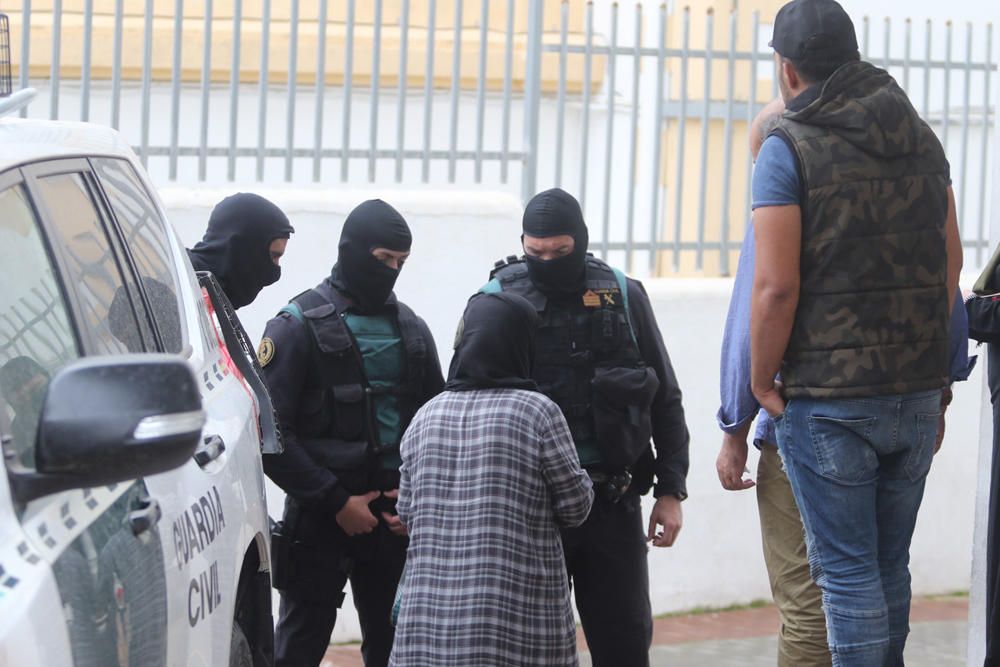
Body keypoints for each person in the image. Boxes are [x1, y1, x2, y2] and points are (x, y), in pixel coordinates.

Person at [750, 0, 963, 663]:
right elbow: (949, 263)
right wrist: (938, 383)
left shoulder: (787, 147)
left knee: (844, 575)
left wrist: (762, 379)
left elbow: (776, 285)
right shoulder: (921, 137)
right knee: (888, 567)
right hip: (915, 391)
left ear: (786, 71)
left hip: (830, 400)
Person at [482, 187, 690, 667]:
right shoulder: (497, 298)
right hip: (528, 513)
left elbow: (666, 400)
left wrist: (671, 490)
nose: (547, 261)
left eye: (560, 252)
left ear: (581, 240)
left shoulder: (622, 294)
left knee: (624, 645)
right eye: (536, 253)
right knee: (525, 651)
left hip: (611, 505)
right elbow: (464, 402)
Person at [259, 199, 444, 667]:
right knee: (299, 646)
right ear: (354, 250)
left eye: (401, 263)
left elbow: (437, 424)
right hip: (321, 520)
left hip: (393, 523)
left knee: (396, 650)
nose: (392, 271)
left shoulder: (413, 330)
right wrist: (337, 502)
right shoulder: (295, 326)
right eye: (383, 260)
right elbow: (270, 434)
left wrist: (416, 500)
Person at [389, 292, 593, 666]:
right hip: (514, 620)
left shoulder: (425, 416)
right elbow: (575, 507)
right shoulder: (538, 412)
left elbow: (406, 512)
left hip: (428, 626)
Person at [187, 192, 294, 309]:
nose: (274, 273)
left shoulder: (216, 301)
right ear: (245, 249)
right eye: (273, 256)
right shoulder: (181, 283)